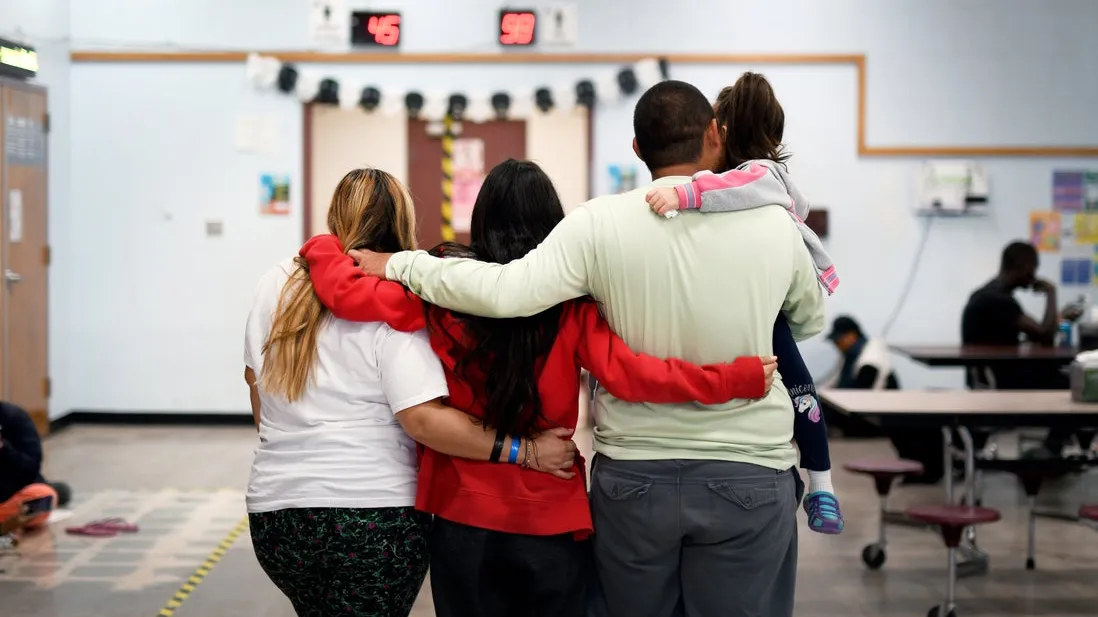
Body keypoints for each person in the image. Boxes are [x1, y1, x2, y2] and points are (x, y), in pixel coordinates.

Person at [341, 81, 826, 617]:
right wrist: (735, 359)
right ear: (715, 134)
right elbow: (805, 319)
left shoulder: (594, 225)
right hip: (746, 471)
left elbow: (505, 292)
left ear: (638, 149)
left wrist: (398, 263)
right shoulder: (774, 224)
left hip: (622, 483)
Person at [243, 168, 578, 617]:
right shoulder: (408, 290)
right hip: (372, 514)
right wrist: (525, 450)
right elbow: (422, 419)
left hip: (276, 512)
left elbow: (256, 383)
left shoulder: (276, 280)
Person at [644, 71, 842, 534]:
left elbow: (725, 189)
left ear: (720, 132)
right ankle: (823, 483)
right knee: (798, 382)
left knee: (798, 384)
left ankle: (823, 485)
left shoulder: (755, 177)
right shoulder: (772, 183)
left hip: (764, 309)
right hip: (768, 306)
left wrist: (681, 192)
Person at [961, 240, 1089, 456]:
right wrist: (1051, 292)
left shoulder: (986, 294)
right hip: (1005, 380)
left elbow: (1032, 337)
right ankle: (1056, 451)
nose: (1034, 276)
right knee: (1080, 385)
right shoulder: (998, 300)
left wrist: (1057, 320)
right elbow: (1045, 335)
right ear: (1023, 266)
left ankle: (1060, 448)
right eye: (1034, 268)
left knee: (1070, 378)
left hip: (993, 375)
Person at [0, 401, 71, 531]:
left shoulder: (14, 417)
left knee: (43, 497)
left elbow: (30, 469)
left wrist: (4, 448)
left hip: (12, 491)